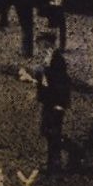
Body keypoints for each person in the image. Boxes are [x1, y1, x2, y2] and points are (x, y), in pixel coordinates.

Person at [30, 34, 71, 173]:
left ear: (47, 43)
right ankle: (54, 162)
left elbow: (61, 83)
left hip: (55, 102)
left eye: (41, 44)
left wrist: (60, 104)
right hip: (49, 100)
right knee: (47, 131)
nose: (39, 47)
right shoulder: (49, 57)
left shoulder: (58, 60)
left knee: (52, 133)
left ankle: (55, 164)